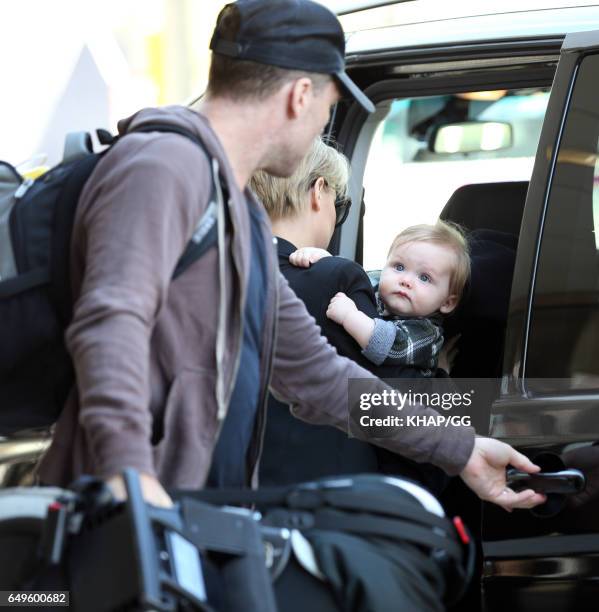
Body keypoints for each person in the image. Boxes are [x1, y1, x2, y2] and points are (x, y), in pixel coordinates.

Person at [38, 0, 544, 516]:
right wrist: (128, 476)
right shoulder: (163, 167)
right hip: (120, 517)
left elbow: (316, 374)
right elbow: (111, 322)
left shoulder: (240, 215)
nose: (323, 126)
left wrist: (459, 449)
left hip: (193, 515)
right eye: (328, 110)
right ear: (302, 95)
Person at [252, 137, 450, 494]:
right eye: (340, 207)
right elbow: (389, 397)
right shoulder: (336, 278)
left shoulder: (226, 269)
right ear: (318, 191)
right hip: (331, 497)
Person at [302, 221, 469, 376]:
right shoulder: (383, 282)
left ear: (447, 302)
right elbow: (352, 275)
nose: (406, 280)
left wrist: (349, 316)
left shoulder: (427, 333)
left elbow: (388, 346)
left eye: (424, 278)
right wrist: (325, 261)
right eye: (399, 266)